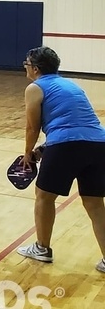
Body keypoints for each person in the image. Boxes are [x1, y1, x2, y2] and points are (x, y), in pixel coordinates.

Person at [14, 46, 105, 272]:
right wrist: (44, 150)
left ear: (35, 68)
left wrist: (28, 153)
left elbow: (32, 127)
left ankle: (42, 248)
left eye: (26, 64)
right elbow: (77, 126)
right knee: (94, 203)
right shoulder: (71, 85)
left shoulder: (34, 88)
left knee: (44, 196)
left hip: (66, 145)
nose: (25, 67)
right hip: (99, 145)